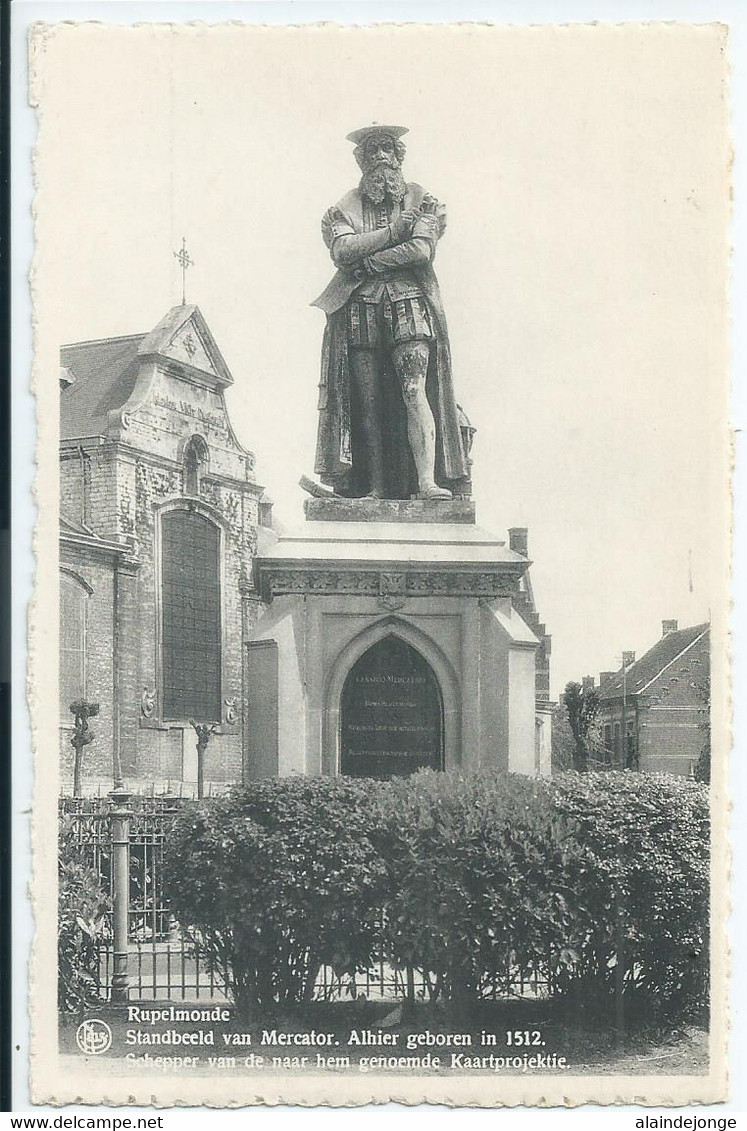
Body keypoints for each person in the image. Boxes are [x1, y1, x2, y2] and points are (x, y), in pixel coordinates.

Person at [312, 124, 469, 500]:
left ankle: (427, 482)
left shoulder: (423, 198)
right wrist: (397, 231)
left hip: (409, 303)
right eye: (371, 151)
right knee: (366, 402)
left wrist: (371, 260)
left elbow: (421, 252)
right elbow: (343, 251)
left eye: (387, 149)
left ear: (399, 157)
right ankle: (375, 487)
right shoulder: (341, 207)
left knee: (415, 390)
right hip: (360, 308)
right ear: (361, 161)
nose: (380, 156)